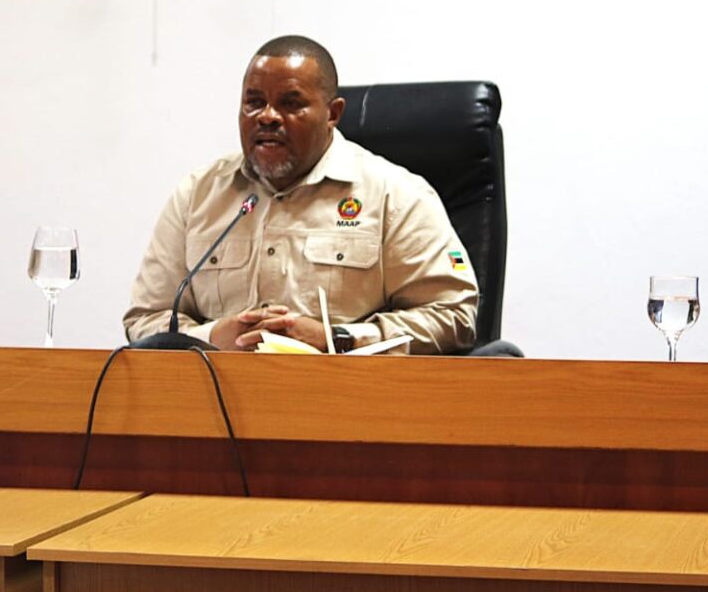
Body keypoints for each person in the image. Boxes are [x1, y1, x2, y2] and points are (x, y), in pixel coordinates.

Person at [123, 35, 479, 354]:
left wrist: (337, 339)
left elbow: (454, 315)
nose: (267, 117)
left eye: (290, 104)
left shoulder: (395, 196)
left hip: (345, 397)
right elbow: (146, 317)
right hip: (216, 397)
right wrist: (211, 337)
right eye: (254, 102)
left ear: (332, 114)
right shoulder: (198, 195)